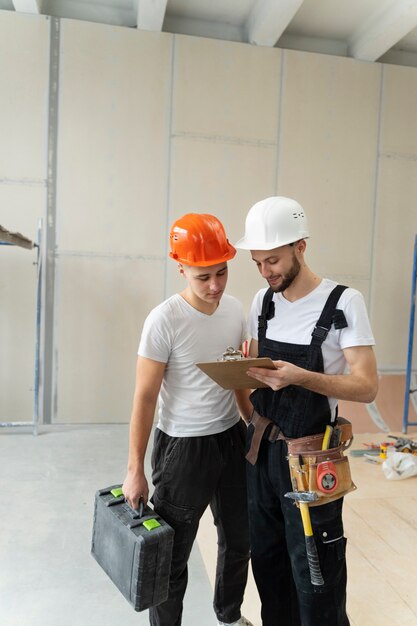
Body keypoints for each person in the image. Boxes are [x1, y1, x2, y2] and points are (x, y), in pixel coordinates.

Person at [234, 196, 378, 626]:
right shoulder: (263, 301)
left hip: (311, 460)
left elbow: (367, 386)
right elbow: (255, 370)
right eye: (258, 263)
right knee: (269, 565)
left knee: (317, 573)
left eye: (273, 260)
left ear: (301, 246)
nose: (266, 272)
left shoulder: (344, 302)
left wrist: (301, 377)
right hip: (262, 456)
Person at [122, 213, 253, 626]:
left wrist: (255, 428)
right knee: (173, 555)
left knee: (239, 541)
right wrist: (134, 471)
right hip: (183, 449)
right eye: (203, 277)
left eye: (222, 272)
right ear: (181, 268)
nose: (215, 286)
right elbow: (144, 399)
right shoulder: (164, 320)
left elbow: (237, 380)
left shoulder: (234, 311)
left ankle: (229, 616)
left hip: (231, 439)